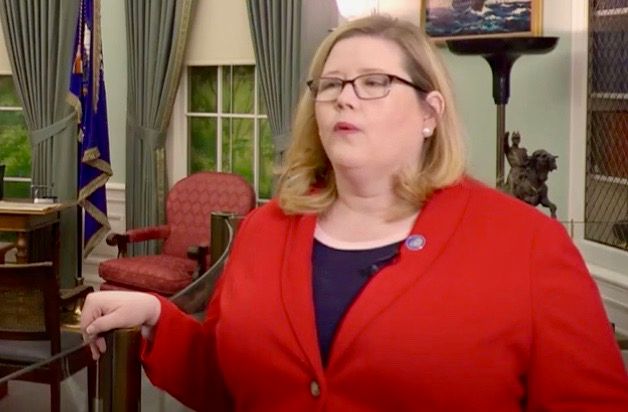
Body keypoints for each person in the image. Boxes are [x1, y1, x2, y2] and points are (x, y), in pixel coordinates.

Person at [81, 15, 628, 411]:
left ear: (430, 113)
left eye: (374, 83)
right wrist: (158, 319)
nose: (345, 97)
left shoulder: (526, 243)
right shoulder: (265, 231)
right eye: (331, 84)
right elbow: (231, 382)